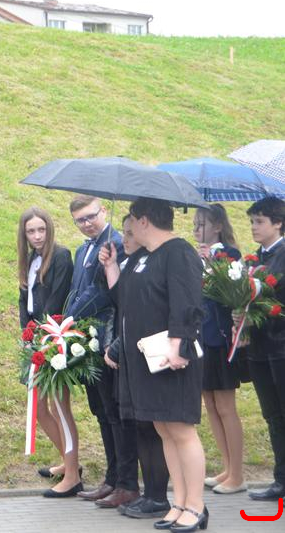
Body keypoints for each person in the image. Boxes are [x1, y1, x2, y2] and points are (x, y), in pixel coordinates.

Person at [99, 197, 207, 532]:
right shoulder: (142, 257)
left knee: (181, 431)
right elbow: (126, 299)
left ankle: (196, 506)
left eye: (132, 218)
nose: (128, 225)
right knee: (164, 430)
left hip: (172, 358)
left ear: (144, 219)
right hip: (147, 360)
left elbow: (187, 303)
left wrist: (179, 346)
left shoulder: (179, 252)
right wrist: (112, 267)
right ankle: (179, 502)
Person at [103, 215, 170, 519]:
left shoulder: (155, 261)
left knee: (153, 428)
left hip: (149, 354)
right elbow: (122, 302)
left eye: (130, 234)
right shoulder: (132, 262)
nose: (124, 239)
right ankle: (149, 494)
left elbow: (145, 312)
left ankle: (158, 495)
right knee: (139, 425)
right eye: (123, 233)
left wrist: (118, 345)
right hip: (131, 355)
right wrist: (111, 266)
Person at [65, 196, 129, 503]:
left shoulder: (116, 244)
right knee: (100, 411)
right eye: (80, 220)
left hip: (107, 340)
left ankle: (122, 481)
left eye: (91, 216)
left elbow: (102, 293)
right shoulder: (82, 250)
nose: (87, 223)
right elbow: (76, 291)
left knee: (113, 412)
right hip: (86, 342)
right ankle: (111, 478)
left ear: (104, 210)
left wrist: (69, 318)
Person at [14, 208, 76, 494]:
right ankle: (69, 462)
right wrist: (26, 332)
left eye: (41, 230)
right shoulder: (30, 259)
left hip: (53, 339)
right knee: (39, 408)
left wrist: (42, 334)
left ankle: (72, 474)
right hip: (34, 338)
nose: (37, 236)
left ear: (49, 229)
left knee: (60, 407)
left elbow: (56, 300)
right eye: (31, 231)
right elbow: (24, 299)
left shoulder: (61, 256)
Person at [193, 204, 246, 495]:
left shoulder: (229, 254)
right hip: (201, 338)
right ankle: (227, 467)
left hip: (221, 338)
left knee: (226, 406)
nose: (196, 229)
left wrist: (211, 264)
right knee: (211, 405)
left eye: (202, 224)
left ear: (217, 227)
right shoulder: (197, 256)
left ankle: (238, 474)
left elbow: (230, 293)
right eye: (195, 224)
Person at [243, 197, 285, 503]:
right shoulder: (254, 258)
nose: (254, 227)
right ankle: (281, 479)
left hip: (281, 345)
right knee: (272, 415)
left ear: (278, 223)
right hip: (259, 347)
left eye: (259, 221)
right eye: (252, 222)